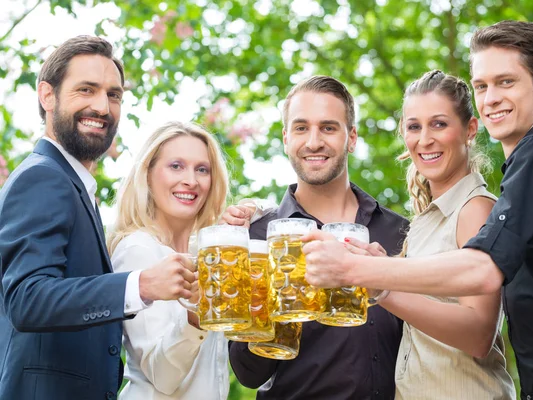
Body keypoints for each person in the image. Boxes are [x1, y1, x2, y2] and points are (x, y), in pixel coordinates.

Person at [302, 20, 533, 400]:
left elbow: (484, 270)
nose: (490, 97)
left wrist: (359, 271)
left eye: (505, 82)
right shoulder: (531, 168)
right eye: (481, 86)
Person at [0, 36, 196, 400]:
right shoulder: (43, 176)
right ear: (47, 95)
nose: (102, 107)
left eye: (113, 95)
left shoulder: (73, 185)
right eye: (86, 90)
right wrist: (140, 285)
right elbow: (27, 299)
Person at [224, 75, 409, 399]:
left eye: (328, 127)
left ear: (351, 138)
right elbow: (248, 374)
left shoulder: (399, 233)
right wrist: (266, 306)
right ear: (285, 138)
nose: (313, 142)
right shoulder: (256, 236)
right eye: (300, 128)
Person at [375, 69, 514, 399]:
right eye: (414, 127)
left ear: (469, 130)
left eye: (439, 124)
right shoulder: (429, 219)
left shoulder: (474, 209)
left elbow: (479, 334)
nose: (425, 139)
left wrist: (382, 289)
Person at [107, 121, 230, 399]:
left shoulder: (206, 256)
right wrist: (195, 316)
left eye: (202, 169)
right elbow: (161, 374)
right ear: (148, 174)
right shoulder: (138, 248)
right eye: (176, 166)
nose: (191, 180)